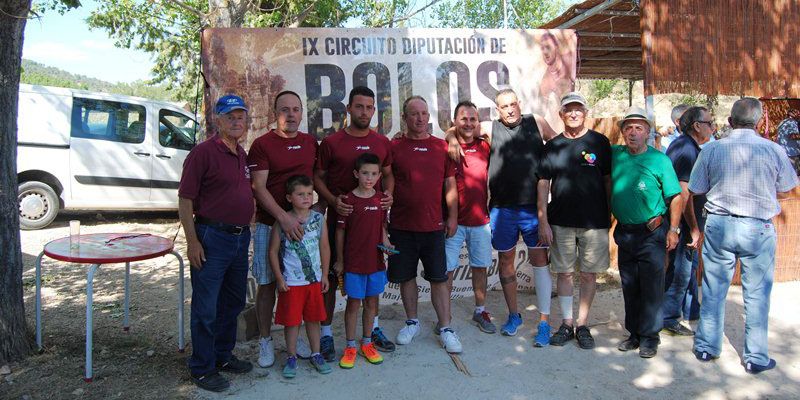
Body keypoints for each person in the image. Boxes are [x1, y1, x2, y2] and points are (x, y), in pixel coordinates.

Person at [689, 98, 799, 374]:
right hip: (757, 226)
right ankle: (755, 357)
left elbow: (696, 187)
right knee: (757, 293)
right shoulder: (773, 149)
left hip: (719, 224)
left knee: (713, 288)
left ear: (729, 121)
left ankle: (706, 347)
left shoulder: (712, 149)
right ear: (760, 122)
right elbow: (787, 187)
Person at [179, 94, 255, 392]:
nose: (237, 122)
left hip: (239, 238)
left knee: (233, 301)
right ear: (218, 121)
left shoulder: (241, 153)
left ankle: (223, 356)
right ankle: (202, 367)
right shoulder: (203, 153)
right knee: (206, 306)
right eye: (231, 117)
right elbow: (185, 200)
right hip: (212, 238)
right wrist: (192, 241)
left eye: (241, 117)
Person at [314, 86, 396, 360]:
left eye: (369, 107)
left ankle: (372, 332)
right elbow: (318, 177)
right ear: (348, 108)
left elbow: (388, 176)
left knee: (372, 284)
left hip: (371, 225)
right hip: (340, 224)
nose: (365, 112)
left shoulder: (381, 142)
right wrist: (332, 201)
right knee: (331, 276)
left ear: (374, 110)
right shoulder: (332, 143)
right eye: (359, 106)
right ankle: (326, 335)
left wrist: (389, 196)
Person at [474, 88, 557, 347]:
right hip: (502, 208)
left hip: (534, 208)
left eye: (512, 104)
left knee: (539, 261)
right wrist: (453, 137)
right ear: (497, 110)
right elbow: (459, 130)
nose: (509, 109)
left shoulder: (537, 122)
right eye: (503, 106)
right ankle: (514, 315)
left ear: (519, 103)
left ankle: (544, 323)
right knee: (506, 260)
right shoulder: (490, 127)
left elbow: (559, 143)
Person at [247, 90, 317, 367]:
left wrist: (314, 213)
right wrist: (283, 218)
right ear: (274, 114)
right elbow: (258, 187)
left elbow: (318, 180)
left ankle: (293, 335)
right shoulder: (262, 145)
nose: (290, 115)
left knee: (297, 286)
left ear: (302, 112)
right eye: (284, 110)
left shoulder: (311, 142)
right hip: (269, 225)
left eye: (296, 109)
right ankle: (265, 340)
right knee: (267, 285)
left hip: (304, 230)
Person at [537, 92, 611, 349]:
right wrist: (543, 220)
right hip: (560, 221)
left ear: (585, 112)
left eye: (578, 109)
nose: (573, 113)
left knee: (589, 275)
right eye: (568, 109)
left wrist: (610, 213)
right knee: (565, 274)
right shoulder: (553, 146)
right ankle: (567, 323)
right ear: (561, 114)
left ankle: (582, 325)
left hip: (594, 221)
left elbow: (608, 181)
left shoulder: (600, 143)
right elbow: (543, 183)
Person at [389, 96, 462, 353]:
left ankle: (445, 328)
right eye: (414, 114)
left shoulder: (442, 147)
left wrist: (453, 216)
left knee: (438, 279)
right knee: (406, 277)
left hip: (433, 226)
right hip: (401, 226)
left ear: (429, 116)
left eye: (423, 113)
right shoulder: (394, 147)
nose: (419, 118)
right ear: (405, 118)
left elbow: (450, 185)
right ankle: (412, 322)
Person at [611, 106, 683, 359]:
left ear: (647, 132)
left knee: (651, 286)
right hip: (625, 233)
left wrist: (673, 230)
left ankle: (650, 337)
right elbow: (587, 156)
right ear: (622, 132)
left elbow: (675, 197)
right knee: (630, 285)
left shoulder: (659, 160)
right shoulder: (615, 154)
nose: (633, 132)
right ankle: (634, 333)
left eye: (638, 128)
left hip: (652, 233)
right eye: (628, 128)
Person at [269, 175, 332, 378]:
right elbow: (273, 251)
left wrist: (324, 274)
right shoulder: (283, 221)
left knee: (314, 320)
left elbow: (324, 247)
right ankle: (291, 357)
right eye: (300, 194)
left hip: (313, 281)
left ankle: (315, 354)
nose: (306, 198)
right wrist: (279, 278)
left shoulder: (318, 218)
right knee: (292, 322)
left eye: (309, 194)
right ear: (289, 197)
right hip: (292, 282)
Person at [334, 153, 393, 369]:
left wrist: (386, 244)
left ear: (379, 176)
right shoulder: (348, 200)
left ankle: (367, 343)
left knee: (371, 304)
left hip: (375, 263)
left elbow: (382, 228)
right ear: (356, 174)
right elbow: (340, 233)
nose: (369, 178)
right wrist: (340, 260)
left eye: (374, 174)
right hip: (354, 264)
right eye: (365, 173)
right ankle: (350, 347)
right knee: (353, 305)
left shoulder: (380, 200)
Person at [661, 106, 715, 337]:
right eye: (710, 123)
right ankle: (669, 317)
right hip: (681, 224)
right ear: (697, 126)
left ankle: (690, 309)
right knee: (681, 269)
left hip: (683, 222)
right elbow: (684, 193)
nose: (713, 127)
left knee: (689, 267)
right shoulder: (686, 149)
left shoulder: (686, 146)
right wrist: (692, 227)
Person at [443, 100, 496, 334]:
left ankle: (480, 310)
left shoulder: (485, 146)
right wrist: (451, 137)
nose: (468, 123)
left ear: (478, 122)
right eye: (463, 119)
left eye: (472, 119)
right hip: (453, 222)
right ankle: (445, 316)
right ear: (455, 121)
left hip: (480, 221)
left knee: (480, 267)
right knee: (447, 270)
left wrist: (453, 135)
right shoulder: (445, 148)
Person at [776, 108, 800, 175]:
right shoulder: (791, 122)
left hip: (782, 152)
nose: (799, 115)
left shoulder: (782, 122)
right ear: (793, 114)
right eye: (797, 113)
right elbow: (793, 136)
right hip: (791, 154)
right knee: (794, 175)